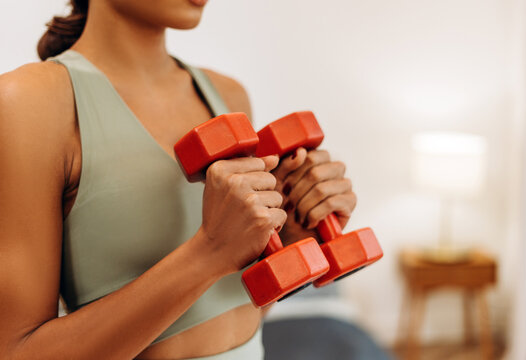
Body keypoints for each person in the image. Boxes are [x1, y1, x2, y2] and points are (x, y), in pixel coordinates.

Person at [0, 0, 357, 359]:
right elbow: (18, 352)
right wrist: (210, 251)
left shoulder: (228, 95)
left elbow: (234, 313)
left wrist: (289, 233)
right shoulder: (29, 102)